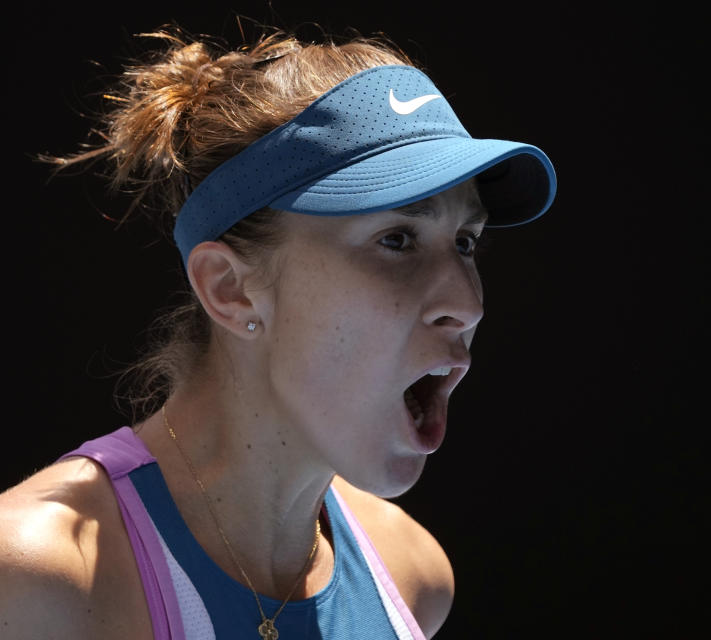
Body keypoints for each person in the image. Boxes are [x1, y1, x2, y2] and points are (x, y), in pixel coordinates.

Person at [0, 24, 556, 640]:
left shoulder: (413, 576)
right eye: (396, 240)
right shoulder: (34, 579)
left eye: (466, 243)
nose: (467, 303)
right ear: (228, 289)